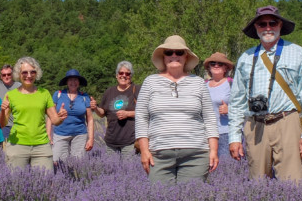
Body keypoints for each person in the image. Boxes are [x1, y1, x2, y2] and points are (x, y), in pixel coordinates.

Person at [227, 6, 302, 181]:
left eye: (272, 23)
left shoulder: (297, 53)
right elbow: (237, 101)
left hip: (287, 121)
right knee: (258, 183)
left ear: (280, 25)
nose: (267, 27)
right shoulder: (246, 57)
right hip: (255, 124)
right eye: (262, 24)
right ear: (256, 28)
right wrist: (234, 137)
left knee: (294, 182)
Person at [134, 35, 219, 183]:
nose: (174, 56)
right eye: (169, 52)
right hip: (159, 154)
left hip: (196, 153)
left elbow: (209, 118)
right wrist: (144, 150)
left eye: (179, 52)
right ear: (163, 57)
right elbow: (141, 117)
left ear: (186, 56)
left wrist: (214, 150)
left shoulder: (198, 83)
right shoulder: (150, 82)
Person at [0, 57, 67, 171]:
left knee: (45, 182)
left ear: (37, 73)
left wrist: (61, 117)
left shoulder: (44, 93)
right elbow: (2, 124)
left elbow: (55, 121)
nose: (29, 75)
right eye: (24, 72)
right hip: (17, 146)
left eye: (32, 72)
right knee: (16, 184)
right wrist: (2, 111)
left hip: (41, 146)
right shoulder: (11, 95)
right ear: (18, 74)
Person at [94, 61, 140, 153]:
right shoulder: (109, 91)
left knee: (129, 167)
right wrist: (95, 107)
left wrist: (128, 114)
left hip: (130, 141)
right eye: (121, 73)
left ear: (131, 76)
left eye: (127, 73)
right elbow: (102, 113)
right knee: (111, 166)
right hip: (111, 140)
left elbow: (146, 111)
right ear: (116, 75)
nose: (124, 75)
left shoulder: (137, 90)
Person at [50, 69, 95, 162]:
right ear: (67, 82)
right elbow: (50, 116)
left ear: (79, 82)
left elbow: (90, 119)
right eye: (70, 80)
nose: (73, 82)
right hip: (60, 134)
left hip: (80, 134)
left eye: (75, 80)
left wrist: (91, 139)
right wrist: (48, 135)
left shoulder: (84, 96)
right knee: (57, 163)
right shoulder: (58, 94)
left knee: (78, 164)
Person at [204, 53, 234, 157]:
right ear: (209, 67)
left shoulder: (232, 84)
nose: (216, 66)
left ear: (226, 68)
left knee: (226, 168)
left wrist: (229, 110)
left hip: (226, 134)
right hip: (206, 134)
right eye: (213, 63)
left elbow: (245, 108)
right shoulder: (203, 86)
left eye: (220, 64)